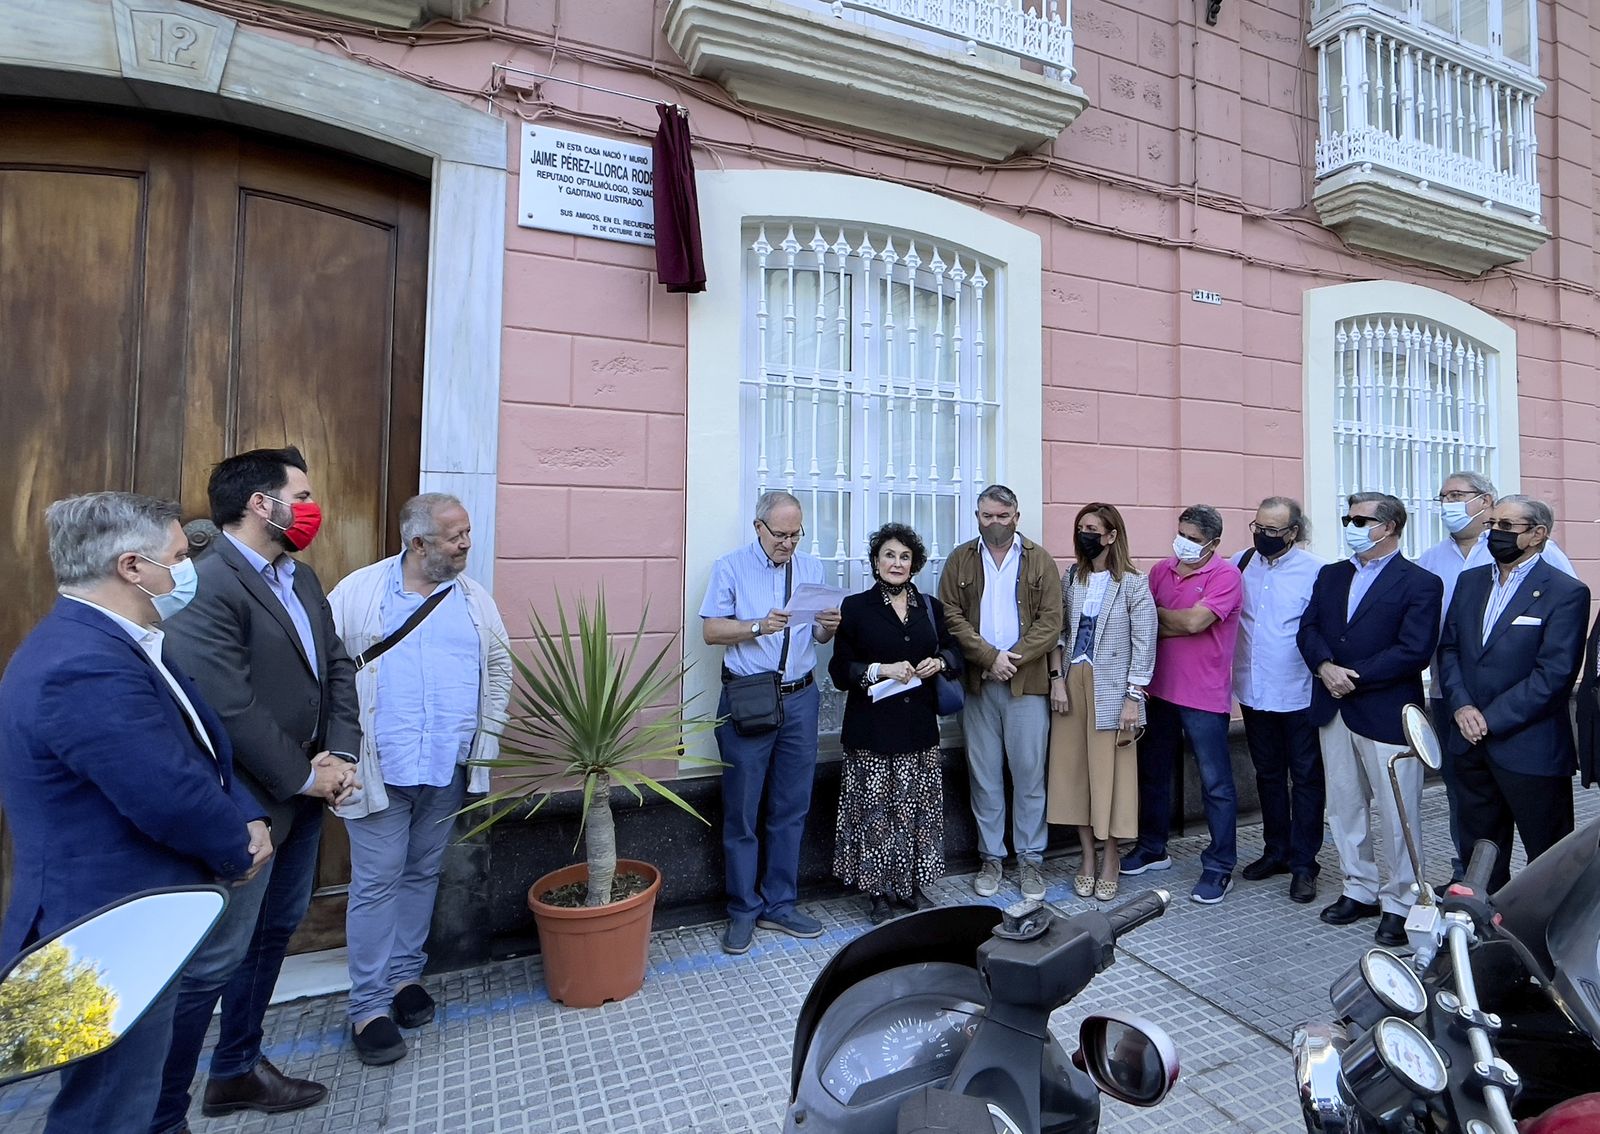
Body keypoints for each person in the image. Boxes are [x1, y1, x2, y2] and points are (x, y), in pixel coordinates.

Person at [0, 492, 271, 1134]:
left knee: (141, 1090)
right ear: (131, 567)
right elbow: (166, 792)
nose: (188, 569)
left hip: (145, 911)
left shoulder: (127, 637)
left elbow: (199, 745)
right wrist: (235, 849)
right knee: (107, 1107)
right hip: (109, 921)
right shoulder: (81, 664)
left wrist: (246, 810)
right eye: (178, 557)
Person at [153, 447, 362, 1132]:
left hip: (304, 796)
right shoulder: (207, 585)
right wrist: (307, 775)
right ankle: (159, 1109)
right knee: (215, 959)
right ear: (258, 504)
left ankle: (237, 1067)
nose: (310, 508)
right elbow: (228, 707)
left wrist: (341, 752)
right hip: (246, 807)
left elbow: (334, 666)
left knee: (275, 934)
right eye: (299, 495)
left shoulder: (300, 579)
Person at [327, 494, 512, 1064]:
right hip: (379, 770)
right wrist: (334, 752)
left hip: (445, 768)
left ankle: (405, 980)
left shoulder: (474, 600)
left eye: (468, 533)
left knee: (423, 872)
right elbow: (328, 671)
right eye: (455, 535)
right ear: (418, 543)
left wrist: (484, 741)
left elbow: (500, 665)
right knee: (376, 883)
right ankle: (369, 1007)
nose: (466, 544)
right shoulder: (359, 593)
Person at [1417, 470, 1577, 884]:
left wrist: (1491, 718)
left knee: (1549, 859)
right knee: (1479, 858)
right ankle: (1482, 932)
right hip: (1467, 742)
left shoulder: (1564, 591)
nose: (1495, 533)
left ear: (1537, 534)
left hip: (1529, 747)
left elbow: (1555, 673)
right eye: (1492, 524)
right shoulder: (1471, 582)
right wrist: (1463, 706)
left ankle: (1541, 942)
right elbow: (1449, 648)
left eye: (1506, 526)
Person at [1298, 492, 1443, 948]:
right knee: (1343, 806)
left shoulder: (1420, 582)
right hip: (1333, 705)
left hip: (1386, 711)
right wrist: (1324, 667)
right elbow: (1310, 629)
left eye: (1361, 520)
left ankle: (1403, 900)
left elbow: (1414, 649)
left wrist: (1353, 678)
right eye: (1348, 518)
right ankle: (1357, 888)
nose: (1351, 526)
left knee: (1400, 812)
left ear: (1390, 526)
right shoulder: (1332, 574)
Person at [700, 491, 842, 955]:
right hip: (748, 698)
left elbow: (816, 634)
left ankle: (780, 903)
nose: (788, 543)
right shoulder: (730, 566)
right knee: (742, 811)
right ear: (758, 527)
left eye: (795, 534)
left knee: (791, 807)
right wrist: (758, 626)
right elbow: (711, 630)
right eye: (780, 534)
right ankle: (743, 909)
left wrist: (827, 626)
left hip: (801, 697)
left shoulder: (812, 568)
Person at [828, 523, 963, 924]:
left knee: (914, 811)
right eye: (889, 555)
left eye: (904, 557)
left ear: (914, 564)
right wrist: (878, 669)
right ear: (875, 561)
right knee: (875, 813)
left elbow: (955, 650)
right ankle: (877, 893)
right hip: (871, 729)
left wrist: (940, 661)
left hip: (918, 728)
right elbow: (839, 671)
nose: (897, 563)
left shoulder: (930, 607)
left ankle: (910, 886)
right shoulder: (854, 607)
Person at [938, 485, 1064, 902]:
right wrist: (989, 657)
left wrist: (1013, 658)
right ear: (977, 516)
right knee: (984, 776)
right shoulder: (961, 558)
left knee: (1029, 776)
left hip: (1025, 686)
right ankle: (991, 857)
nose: (995, 522)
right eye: (987, 515)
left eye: (1002, 515)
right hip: (978, 686)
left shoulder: (1039, 560)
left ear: (1016, 516)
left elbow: (1051, 620)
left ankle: (1030, 860)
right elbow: (950, 617)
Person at [1125, 505, 1244, 905]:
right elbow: (1142, 620)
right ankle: (1152, 847)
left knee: (1216, 784)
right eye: (1181, 535)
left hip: (1204, 695)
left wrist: (1159, 619)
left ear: (1213, 543)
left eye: (1192, 539)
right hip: (1158, 690)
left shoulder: (1227, 575)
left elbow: (1196, 623)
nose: (1184, 544)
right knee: (1153, 774)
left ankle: (1219, 865)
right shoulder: (1161, 571)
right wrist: (1170, 619)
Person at [1045, 503, 1156, 902]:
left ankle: (1111, 857)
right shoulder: (1071, 577)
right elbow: (1057, 632)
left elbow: (1145, 644)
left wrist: (1133, 697)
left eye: (1092, 528)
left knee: (1112, 778)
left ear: (1111, 535)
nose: (1084, 534)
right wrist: (1056, 680)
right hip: (1072, 685)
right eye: (1080, 527)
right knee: (1073, 773)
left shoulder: (1132, 582)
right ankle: (1087, 857)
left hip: (1114, 689)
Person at [1232, 497, 1325, 905]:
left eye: (1273, 531)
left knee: (1305, 777)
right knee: (1267, 773)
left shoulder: (1317, 571)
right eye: (1258, 527)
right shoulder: (1241, 562)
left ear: (1293, 533)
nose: (1263, 536)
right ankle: (1276, 850)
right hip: (1252, 689)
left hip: (1299, 691)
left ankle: (1305, 863)